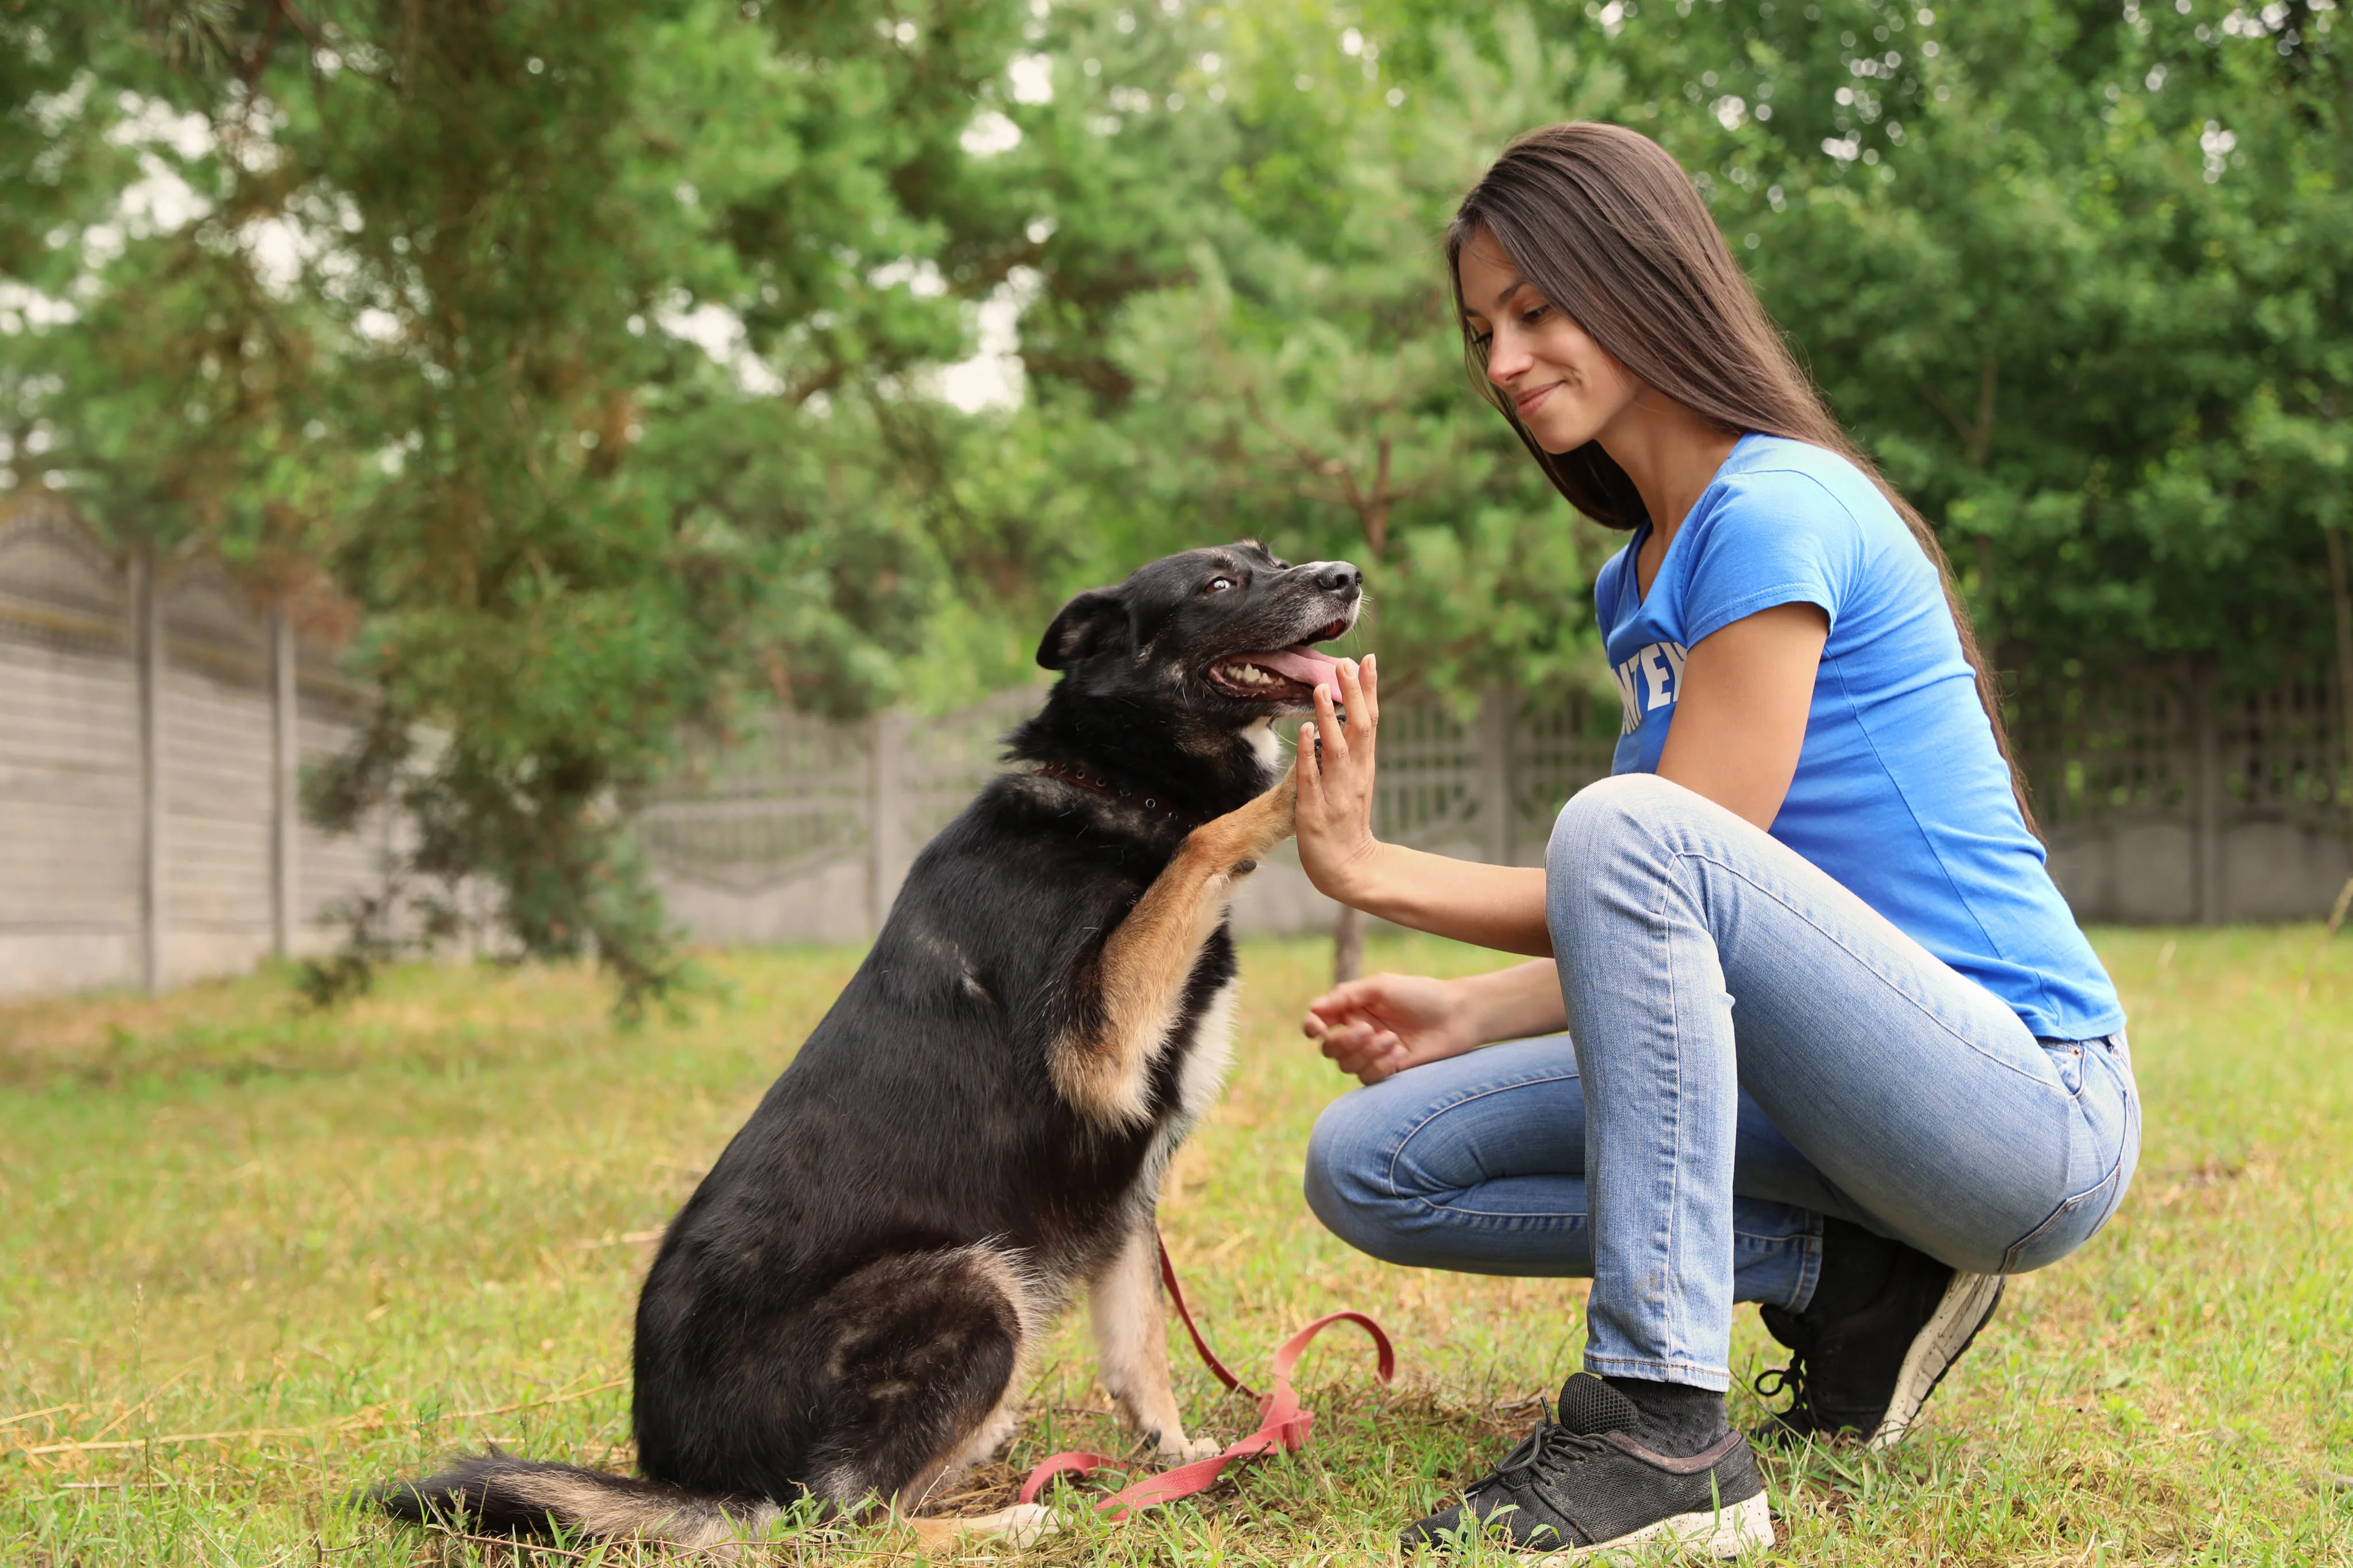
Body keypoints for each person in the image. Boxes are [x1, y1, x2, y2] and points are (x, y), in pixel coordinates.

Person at [1286, 122, 2138, 1559]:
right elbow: (1669, 926)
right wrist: (1461, 1014)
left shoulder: (1774, 506)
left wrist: (1371, 870)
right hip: (1839, 1109)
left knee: (1627, 824)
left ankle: (1660, 1430)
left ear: (1635, 279)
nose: (1500, 361)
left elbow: (1676, 847)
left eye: (1536, 312)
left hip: (2021, 1112)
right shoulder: (1640, 573)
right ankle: (1857, 1277)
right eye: (1481, 328)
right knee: (1369, 1160)